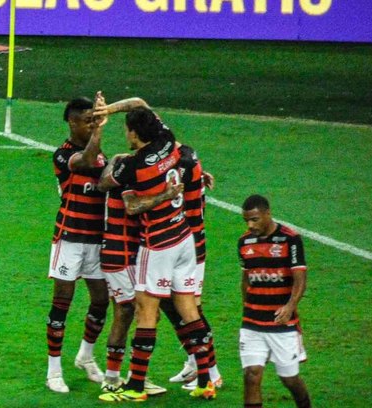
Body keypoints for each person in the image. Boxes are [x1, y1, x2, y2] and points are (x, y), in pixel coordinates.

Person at [96, 102, 216, 402]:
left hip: (158, 244)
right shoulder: (167, 139)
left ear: (134, 133)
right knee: (188, 311)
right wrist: (109, 110)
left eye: (127, 129)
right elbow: (139, 103)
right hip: (185, 237)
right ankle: (206, 379)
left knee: (146, 312)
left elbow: (113, 190)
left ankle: (136, 386)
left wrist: (117, 161)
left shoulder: (133, 165)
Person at [45, 95, 110, 393]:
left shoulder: (101, 155)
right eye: (87, 121)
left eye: (94, 120)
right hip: (69, 238)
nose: (92, 126)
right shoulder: (63, 154)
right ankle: (53, 370)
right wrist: (99, 132)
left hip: (96, 240)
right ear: (72, 123)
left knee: (101, 300)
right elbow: (84, 162)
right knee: (62, 302)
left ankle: (85, 355)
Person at [238, 194, 312, 408]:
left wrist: (290, 307)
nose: (250, 225)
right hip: (252, 322)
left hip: (282, 324)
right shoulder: (244, 242)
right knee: (251, 375)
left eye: (255, 219)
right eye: (247, 221)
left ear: (268, 214)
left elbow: (300, 279)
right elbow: (246, 279)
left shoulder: (290, 239)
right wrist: (247, 307)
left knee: (289, 379)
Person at [161, 144, 223, 391]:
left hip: (191, 247)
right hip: (176, 245)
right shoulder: (185, 157)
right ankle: (193, 361)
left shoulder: (182, 164)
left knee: (191, 309)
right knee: (167, 301)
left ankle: (212, 372)